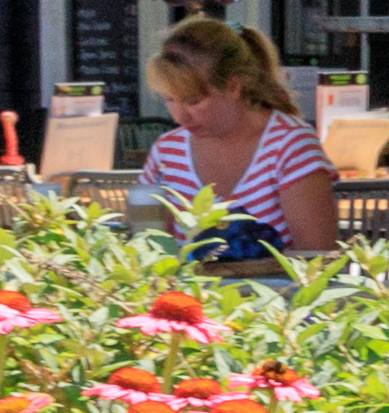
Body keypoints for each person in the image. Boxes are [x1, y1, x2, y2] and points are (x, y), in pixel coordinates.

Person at [130, 15, 336, 264]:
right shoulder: (167, 151)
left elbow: (318, 260)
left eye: (194, 101)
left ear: (233, 87)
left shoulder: (291, 146)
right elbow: (149, 252)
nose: (179, 117)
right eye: (170, 99)